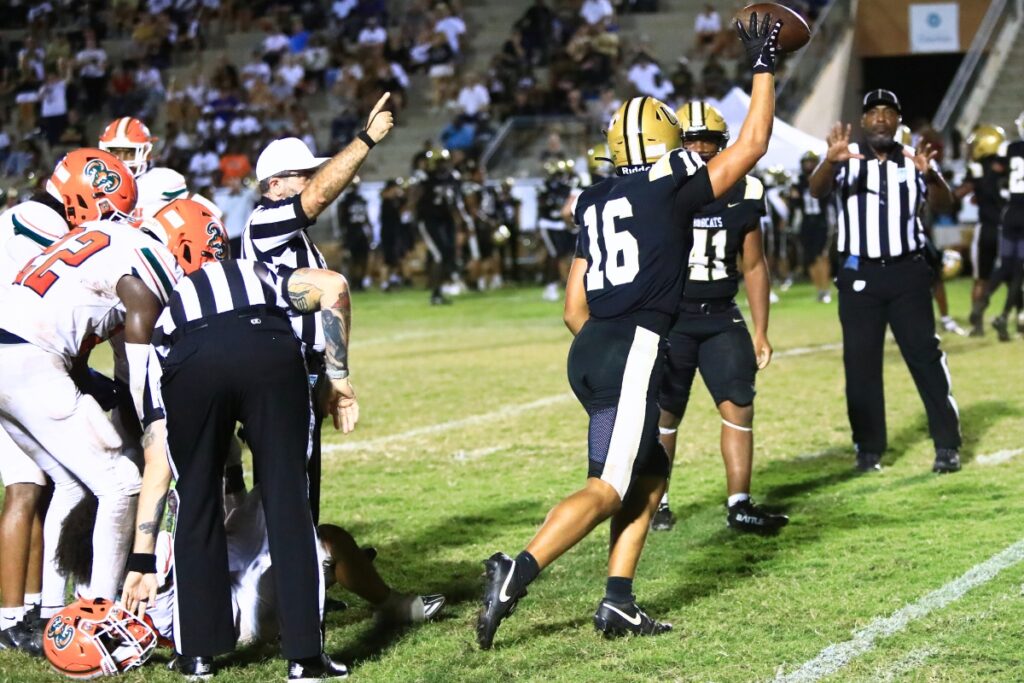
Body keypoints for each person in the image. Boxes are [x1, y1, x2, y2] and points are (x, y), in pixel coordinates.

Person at [476, 13, 782, 648]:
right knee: (610, 486)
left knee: (648, 477)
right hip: (636, 346)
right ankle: (517, 570)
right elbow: (750, 146)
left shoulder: (595, 198)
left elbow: (572, 306)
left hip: (592, 345)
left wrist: (610, 342)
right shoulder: (670, 185)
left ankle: (618, 601)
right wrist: (762, 66)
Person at [0, 151, 214, 628]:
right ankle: (99, 618)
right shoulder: (149, 258)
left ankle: (50, 612)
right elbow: (138, 330)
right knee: (122, 483)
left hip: (15, 353)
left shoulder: (101, 235)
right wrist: (152, 414)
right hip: (29, 359)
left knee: (74, 482)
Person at [121, 260, 357, 680]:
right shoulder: (258, 270)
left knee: (195, 499)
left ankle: (196, 654)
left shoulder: (169, 311)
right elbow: (334, 285)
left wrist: (142, 558)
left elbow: (158, 460)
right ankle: (304, 657)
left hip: (189, 355)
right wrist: (337, 377)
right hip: (266, 343)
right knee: (288, 500)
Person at [241, 92, 393, 522]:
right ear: (274, 185)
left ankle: (304, 586)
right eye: (304, 174)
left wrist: (326, 374)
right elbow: (319, 198)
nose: (314, 178)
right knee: (289, 491)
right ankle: (291, 584)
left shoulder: (294, 237)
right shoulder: (265, 221)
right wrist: (365, 140)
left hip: (303, 371)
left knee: (304, 488)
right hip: (280, 371)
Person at [809, 89, 962, 474]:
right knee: (860, 364)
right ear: (863, 121)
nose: (879, 118)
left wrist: (934, 176)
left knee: (926, 358)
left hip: (907, 273)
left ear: (897, 120)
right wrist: (828, 162)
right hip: (860, 275)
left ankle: (947, 444)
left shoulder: (915, 161)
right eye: (872, 112)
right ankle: (868, 448)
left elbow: (945, 205)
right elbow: (817, 189)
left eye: (887, 112)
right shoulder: (846, 159)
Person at [652, 101, 786, 535]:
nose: (703, 150)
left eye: (710, 141)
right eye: (692, 140)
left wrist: (762, 330)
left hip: (720, 316)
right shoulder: (661, 192)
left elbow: (753, 265)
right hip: (672, 318)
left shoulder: (745, 191)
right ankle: (658, 503)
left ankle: (739, 503)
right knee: (664, 415)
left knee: (739, 406)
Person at [0, 179, 70, 655]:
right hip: (10, 355)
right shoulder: (39, 221)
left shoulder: (17, 218)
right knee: (24, 488)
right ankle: (9, 618)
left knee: (36, 485)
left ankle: (26, 606)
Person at [975, 113, 1024, 341]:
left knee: (1005, 265)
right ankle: (1004, 316)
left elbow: (995, 176)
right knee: (1018, 271)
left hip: (1010, 212)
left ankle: (981, 303)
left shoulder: (1010, 148)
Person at [407, 147, 462, 304]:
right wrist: (413, 220)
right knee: (439, 255)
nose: (442, 165)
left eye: (443, 162)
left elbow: (454, 203)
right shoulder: (425, 178)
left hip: (445, 220)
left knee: (448, 253)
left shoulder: (451, 178)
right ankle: (435, 294)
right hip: (429, 221)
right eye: (439, 162)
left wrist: (458, 221)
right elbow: (414, 200)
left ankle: (439, 290)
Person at [791, 150, 832, 302]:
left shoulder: (822, 178)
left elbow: (829, 199)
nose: (808, 165)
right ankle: (819, 290)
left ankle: (826, 289)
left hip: (822, 220)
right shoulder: (799, 181)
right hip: (806, 221)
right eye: (806, 162)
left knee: (822, 255)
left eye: (811, 162)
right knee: (810, 257)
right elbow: (794, 203)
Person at [537, 159, 578, 302]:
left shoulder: (566, 186)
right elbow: (544, 204)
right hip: (548, 224)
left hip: (560, 224)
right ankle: (550, 285)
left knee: (563, 254)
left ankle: (556, 284)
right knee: (554, 254)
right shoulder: (545, 186)